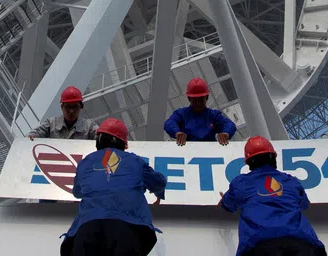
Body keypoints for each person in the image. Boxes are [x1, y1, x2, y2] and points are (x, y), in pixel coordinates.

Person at [60, 118, 167, 256]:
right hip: (127, 227)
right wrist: (158, 193)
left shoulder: (85, 163)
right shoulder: (134, 161)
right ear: (124, 144)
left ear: (98, 140)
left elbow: (77, 192)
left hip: (87, 228)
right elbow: (159, 182)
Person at [219, 137, 326, 256]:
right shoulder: (290, 180)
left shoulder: (240, 183)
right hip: (303, 244)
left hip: (259, 246)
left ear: (248, 162)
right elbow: (304, 204)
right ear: (274, 157)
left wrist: (224, 200)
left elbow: (227, 205)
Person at [164, 77, 237, 146]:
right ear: (189, 99)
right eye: (195, 100)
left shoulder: (214, 115)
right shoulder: (181, 114)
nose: (198, 103)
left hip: (210, 153)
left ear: (207, 98)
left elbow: (228, 124)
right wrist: (176, 132)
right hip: (188, 153)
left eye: (201, 99)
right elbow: (169, 123)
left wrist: (226, 133)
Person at [30, 86, 99, 140]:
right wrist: (31, 137)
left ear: (81, 107)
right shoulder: (51, 124)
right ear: (62, 107)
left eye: (75, 107)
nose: (71, 111)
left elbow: (99, 136)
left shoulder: (89, 126)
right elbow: (34, 134)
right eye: (68, 107)